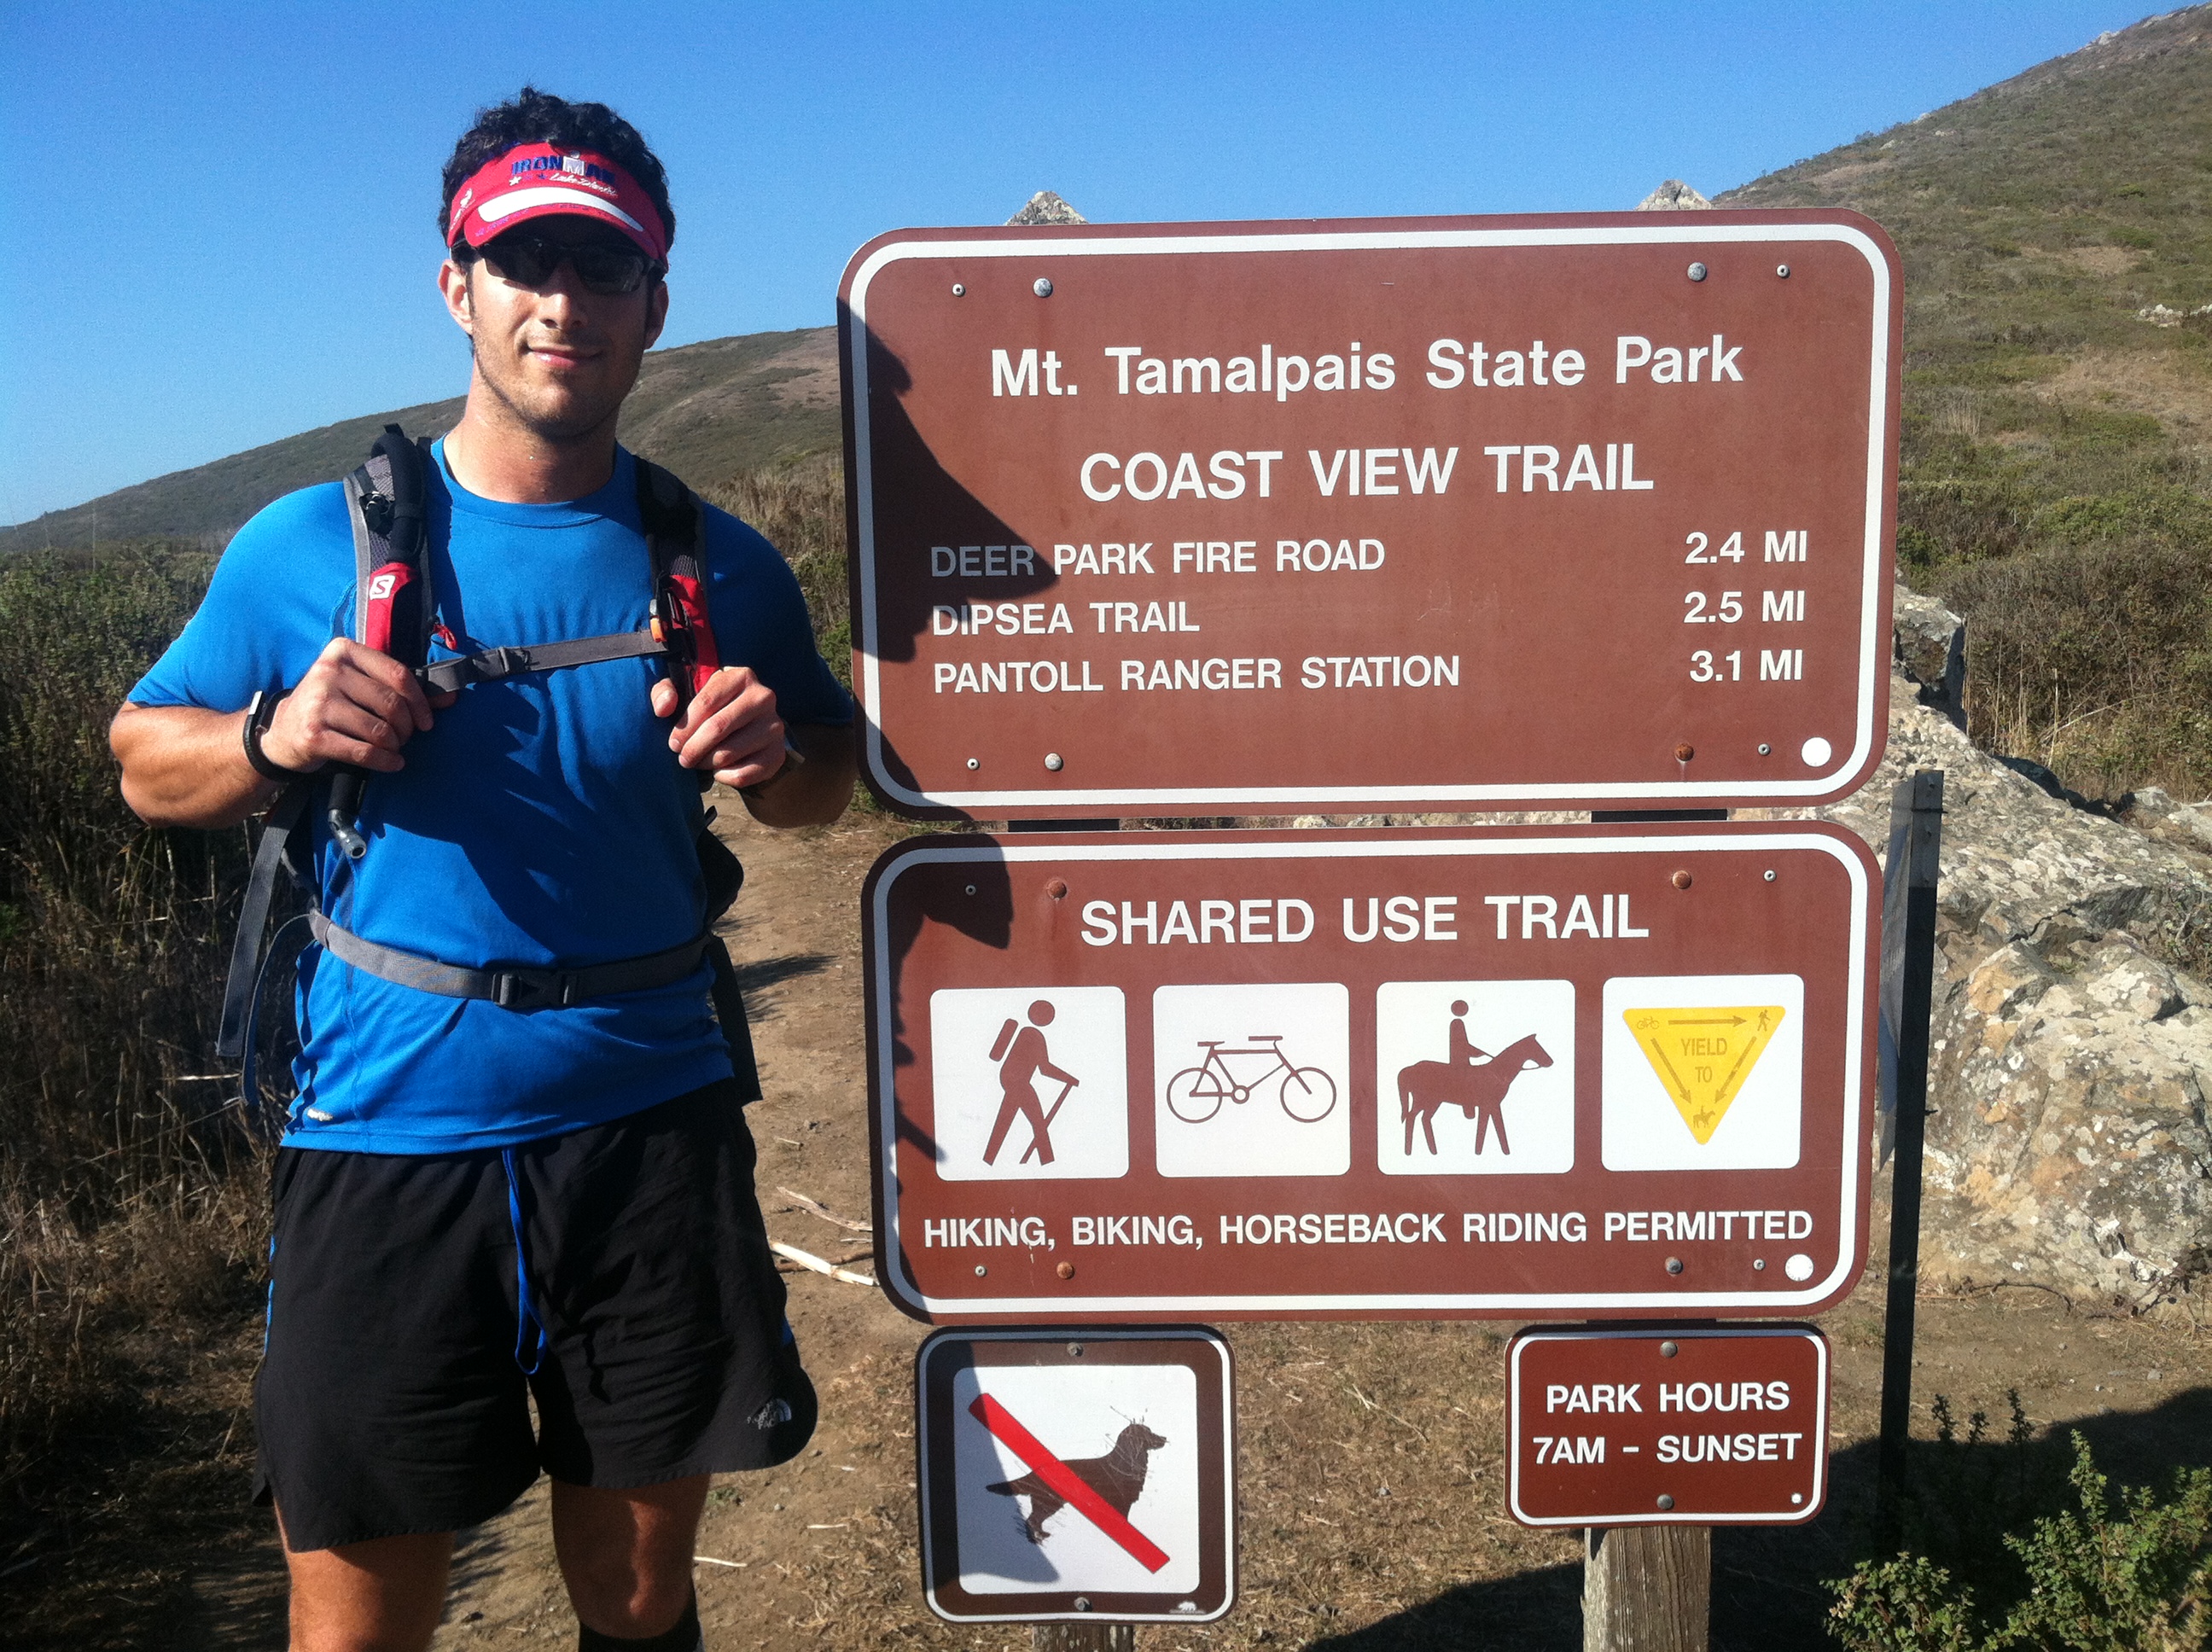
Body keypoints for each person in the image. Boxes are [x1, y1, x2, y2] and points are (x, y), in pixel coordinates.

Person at [109, 88, 856, 1652]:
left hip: (650, 1128)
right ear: (458, 287)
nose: (562, 303)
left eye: (603, 266)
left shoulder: (720, 563)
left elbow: (818, 792)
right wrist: (272, 732)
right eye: (525, 263)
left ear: (655, 302)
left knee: (640, 1599)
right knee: (356, 1625)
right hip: (385, 1134)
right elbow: (141, 758)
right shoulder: (309, 545)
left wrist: (779, 758)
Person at [981, 999, 1080, 1166]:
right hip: (1019, 1083)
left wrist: (1068, 1079)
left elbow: (1043, 1068)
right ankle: (1048, 1162)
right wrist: (1069, 1079)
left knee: (1004, 1121)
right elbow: (1045, 1069)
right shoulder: (1035, 1036)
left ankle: (988, 1160)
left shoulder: (1025, 1032)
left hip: (1009, 1080)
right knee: (1038, 1123)